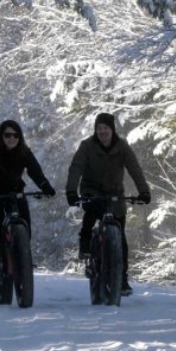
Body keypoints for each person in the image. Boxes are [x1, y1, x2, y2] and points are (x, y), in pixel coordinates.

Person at [66, 112, 151, 296]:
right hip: (92, 191)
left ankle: (122, 279)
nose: (102, 131)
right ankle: (85, 243)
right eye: (99, 128)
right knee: (91, 212)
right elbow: (76, 168)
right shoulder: (87, 146)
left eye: (106, 128)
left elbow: (134, 169)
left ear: (112, 129)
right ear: (95, 130)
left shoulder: (122, 147)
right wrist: (71, 191)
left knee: (121, 238)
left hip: (115, 195)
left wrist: (144, 191)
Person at [0, 120, 56, 278]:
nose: (12, 138)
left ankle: (24, 257)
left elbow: (35, 172)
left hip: (15, 193)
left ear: (20, 137)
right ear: (1, 136)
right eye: (8, 135)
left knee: (24, 219)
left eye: (15, 135)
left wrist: (46, 187)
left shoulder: (24, 152)